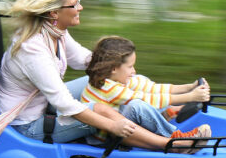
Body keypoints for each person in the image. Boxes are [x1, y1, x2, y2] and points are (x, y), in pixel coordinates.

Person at [0, 0, 208, 154]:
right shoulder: (33, 49)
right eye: (74, 4)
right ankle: (170, 143)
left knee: (112, 77)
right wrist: (112, 125)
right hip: (27, 126)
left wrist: (123, 67)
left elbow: (89, 62)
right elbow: (67, 106)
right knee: (101, 111)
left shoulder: (55, 32)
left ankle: (165, 102)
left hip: (43, 103)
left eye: (79, 1)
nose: (80, 7)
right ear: (54, 13)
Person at [81, 36, 212, 146]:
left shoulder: (112, 79)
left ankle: (164, 114)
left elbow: (151, 88)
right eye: (130, 66)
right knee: (136, 106)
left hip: (117, 126)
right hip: (104, 138)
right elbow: (146, 99)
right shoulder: (108, 87)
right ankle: (175, 138)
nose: (133, 70)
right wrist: (189, 97)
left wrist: (188, 87)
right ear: (114, 68)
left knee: (140, 80)